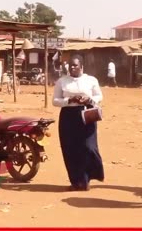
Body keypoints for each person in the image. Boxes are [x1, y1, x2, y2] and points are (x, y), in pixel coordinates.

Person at [52, 55, 104, 191]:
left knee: (89, 147)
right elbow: (55, 100)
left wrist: (89, 99)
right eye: (70, 65)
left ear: (82, 66)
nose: (72, 67)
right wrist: (69, 100)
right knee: (70, 149)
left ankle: (89, 176)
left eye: (75, 65)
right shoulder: (62, 81)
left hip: (87, 114)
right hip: (68, 117)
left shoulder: (91, 80)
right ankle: (77, 181)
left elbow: (99, 96)